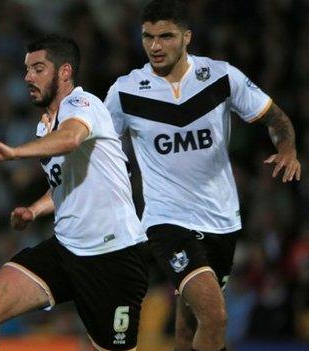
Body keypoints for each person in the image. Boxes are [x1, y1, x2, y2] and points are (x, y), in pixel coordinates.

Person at [104, 1, 302, 351]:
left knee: (189, 327)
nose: (155, 45)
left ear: (187, 37)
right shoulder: (126, 91)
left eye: (166, 36)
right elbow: (100, 145)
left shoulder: (222, 77)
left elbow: (276, 119)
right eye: (148, 36)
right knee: (215, 316)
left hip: (221, 219)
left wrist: (287, 148)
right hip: (167, 220)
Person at [0, 34, 149, 351]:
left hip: (113, 256)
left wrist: (14, 152)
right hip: (65, 249)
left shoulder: (83, 104)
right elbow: (65, 184)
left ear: (64, 72)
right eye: (26, 69)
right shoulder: (44, 126)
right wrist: (34, 210)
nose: (27, 77)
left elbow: (72, 138)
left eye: (38, 69)